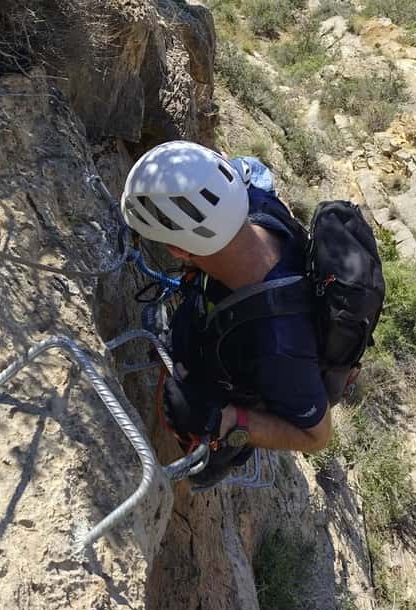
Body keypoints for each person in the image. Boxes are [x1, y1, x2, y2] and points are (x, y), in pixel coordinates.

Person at [120, 140, 333, 487]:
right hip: (223, 321)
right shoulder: (253, 201)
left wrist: (232, 420)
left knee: (187, 409)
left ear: (177, 249)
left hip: (250, 366)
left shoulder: (278, 345)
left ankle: (209, 466)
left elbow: (318, 436)